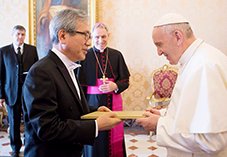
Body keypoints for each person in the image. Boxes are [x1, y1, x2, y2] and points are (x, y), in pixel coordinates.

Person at [22, 8, 122, 157]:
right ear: (63, 36)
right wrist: (95, 126)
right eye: (86, 35)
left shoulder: (68, 66)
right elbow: (47, 128)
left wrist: (93, 111)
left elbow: (67, 107)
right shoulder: (42, 72)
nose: (89, 42)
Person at [136, 13, 227, 156]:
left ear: (178, 36)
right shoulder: (197, 59)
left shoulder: (205, 66)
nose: (159, 52)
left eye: (159, 45)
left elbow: (212, 141)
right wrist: (163, 114)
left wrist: (159, 125)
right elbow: (194, 110)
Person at [78, 23, 130, 157]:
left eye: (103, 36)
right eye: (96, 37)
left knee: (112, 134)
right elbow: (79, 85)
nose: (100, 40)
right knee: (96, 136)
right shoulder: (85, 56)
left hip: (113, 101)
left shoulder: (116, 55)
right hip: (92, 103)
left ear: (109, 36)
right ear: (91, 37)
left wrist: (116, 86)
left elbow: (125, 81)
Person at [0, 25, 38, 157]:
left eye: (22, 34)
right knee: (14, 123)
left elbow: (36, 72)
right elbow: (1, 75)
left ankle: (29, 145)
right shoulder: (3, 51)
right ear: (12, 35)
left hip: (28, 94)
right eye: (17, 34)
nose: (20, 37)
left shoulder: (32, 50)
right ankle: (15, 148)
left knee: (29, 121)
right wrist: (1, 96)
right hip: (11, 93)